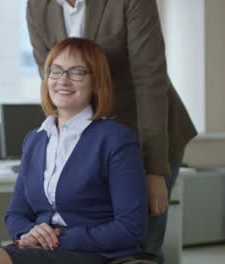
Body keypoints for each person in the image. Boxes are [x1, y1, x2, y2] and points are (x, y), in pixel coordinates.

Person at [26, 1, 197, 263]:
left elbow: (149, 78)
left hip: (146, 130)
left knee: (141, 244)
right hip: (87, 139)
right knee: (91, 244)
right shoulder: (38, 5)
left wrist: (153, 170)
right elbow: (48, 73)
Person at [0, 38, 148, 264]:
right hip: (44, 247)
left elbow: (130, 228)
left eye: (76, 72)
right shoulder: (35, 139)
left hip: (91, 250)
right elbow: (15, 214)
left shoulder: (115, 139)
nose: (62, 80)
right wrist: (30, 233)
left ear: (96, 82)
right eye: (55, 71)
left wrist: (57, 239)